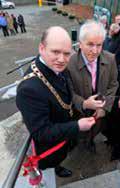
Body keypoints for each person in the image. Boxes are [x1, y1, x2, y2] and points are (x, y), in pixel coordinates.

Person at [16, 26, 95, 177]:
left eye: (66, 53)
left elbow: (66, 93)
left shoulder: (56, 66)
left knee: (62, 155)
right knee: (53, 161)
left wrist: (85, 103)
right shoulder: (28, 89)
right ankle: (55, 167)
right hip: (52, 143)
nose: (62, 59)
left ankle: (58, 165)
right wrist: (77, 126)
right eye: (55, 52)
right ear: (41, 48)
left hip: (64, 130)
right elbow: (42, 133)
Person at [67, 20, 118, 150]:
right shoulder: (69, 63)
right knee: (78, 135)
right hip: (78, 114)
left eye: (99, 45)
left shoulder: (111, 59)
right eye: (90, 44)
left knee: (94, 130)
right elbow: (68, 91)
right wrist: (84, 104)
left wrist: (103, 108)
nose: (95, 51)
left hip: (99, 114)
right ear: (80, 43)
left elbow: (113, 85)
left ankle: (90, 142)